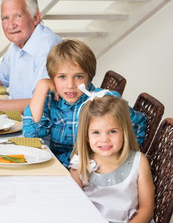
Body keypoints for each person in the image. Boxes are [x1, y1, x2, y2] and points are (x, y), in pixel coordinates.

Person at [22, 39, 146, 167]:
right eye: (62, 77)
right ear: (53, 78)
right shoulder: (49, 99)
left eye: (79, 76)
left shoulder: (103, 101)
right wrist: (42, 86)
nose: (70, 85)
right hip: (59, 167)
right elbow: (31, 135)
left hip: (92, 171)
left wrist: (116, 159)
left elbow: (138, 125)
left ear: (89, 77)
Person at [70, 95, 154, 223]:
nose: (104, 139)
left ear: (124, 131)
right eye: (96, 132)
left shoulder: (139, 162)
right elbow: (73, 205)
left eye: (112, 131)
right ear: (86, 136)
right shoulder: (80, 164)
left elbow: (146, 208)